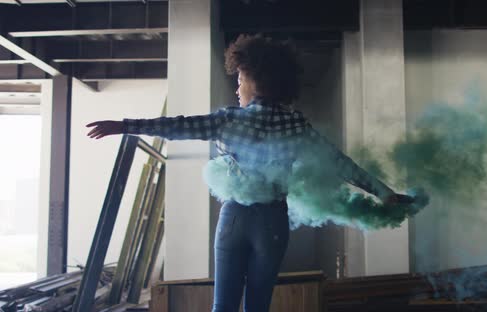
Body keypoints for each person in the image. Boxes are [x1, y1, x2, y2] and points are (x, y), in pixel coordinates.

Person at [86, 34, 413, 312]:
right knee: (258, 306)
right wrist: (383, 191)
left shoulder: (229, 120)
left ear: (256, 81)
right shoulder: (296, 125)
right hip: (272, 222)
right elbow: (342, 164)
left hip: (235, 218)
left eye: (239, 79)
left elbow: (177, 126)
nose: (236, 88)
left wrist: (125, 126)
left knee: (223, 306)